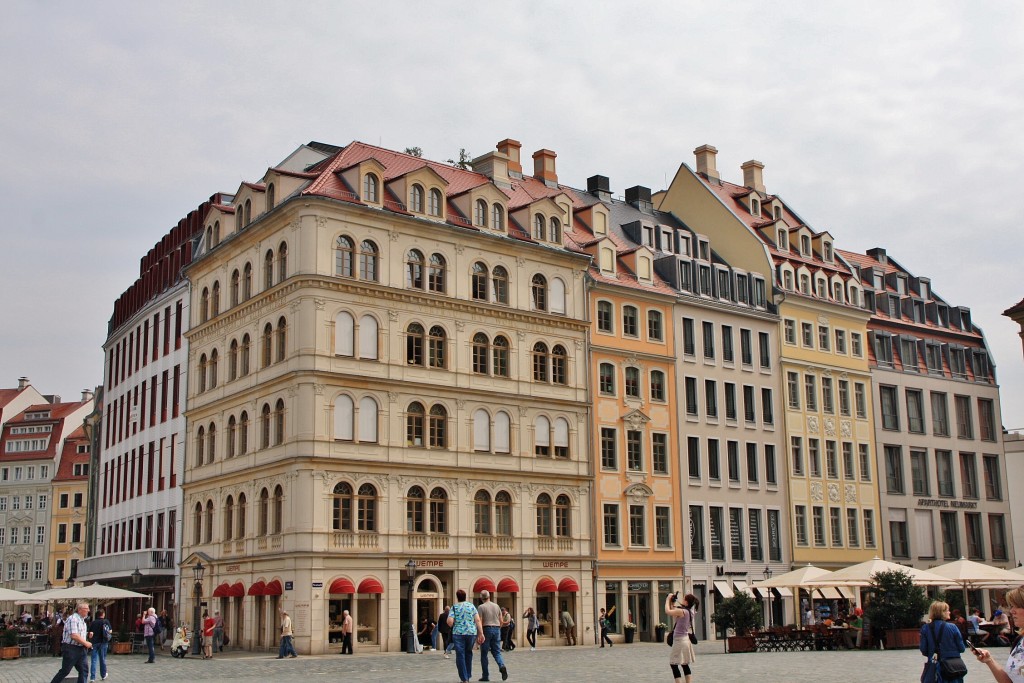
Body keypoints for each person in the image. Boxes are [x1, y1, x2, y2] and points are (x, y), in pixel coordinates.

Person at [973, 586, 1024, 683]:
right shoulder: (1019, 641)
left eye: (1016, 606)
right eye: (1011, 606)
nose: (1012, 611)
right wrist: (989, 660)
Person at [920, 601, 967, 683]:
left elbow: (924, 650)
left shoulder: (925, 628)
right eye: (947, 610)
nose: (949, 612)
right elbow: (962, 648)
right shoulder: (953, 627)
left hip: (935, 664)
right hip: (953, 667)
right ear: (942, 612)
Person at [447, 588, 485, 683]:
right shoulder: (471, 606)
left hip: (458, 633)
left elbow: (450, 622)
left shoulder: (454, 607)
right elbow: (477, 620)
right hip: (471, 633)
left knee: (460, 655)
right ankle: (467, 675)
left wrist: (453, 622)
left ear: (457, 597)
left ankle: (464, 679)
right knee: (468, 653)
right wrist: (481, 633)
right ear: (465, 597)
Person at [50, 601, 93, 683]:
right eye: (86, 609)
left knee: (84, 670)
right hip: (71, 649)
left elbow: (78, 633)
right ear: (80, 610)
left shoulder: (82, 620)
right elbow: (74, 635)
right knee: (65, 671)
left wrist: (87, 634)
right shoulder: (73, 619)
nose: (88, 610)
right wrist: (86, 643)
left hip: (81, 649)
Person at [665, 592, 698, 683]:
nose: (682, 600)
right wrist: (673, 602)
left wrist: (668, 599)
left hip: (679, 641)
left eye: (684, 599)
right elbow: (674, 611)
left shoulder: (683, 611)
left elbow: (668, 611)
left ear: (686, 602)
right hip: (686, 640)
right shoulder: (691, 611)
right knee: (684, 664)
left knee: (673, 663)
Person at [477, 589, 509, 681]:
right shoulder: (497, 606)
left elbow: (480, 621)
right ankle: (501, 665)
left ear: (481, 598)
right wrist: (498, 629)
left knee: (484, 654)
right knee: (497, 652)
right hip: (496, 629)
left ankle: (485, 676)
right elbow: (501, 621)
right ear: (489, 596)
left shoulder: (481, 607)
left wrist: (480, 633)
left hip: (486, 629)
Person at [88, 606, 111, 682]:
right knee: (102, 659)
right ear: (103, 614)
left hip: (94, 642)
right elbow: (110, 631)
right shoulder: (105, 621)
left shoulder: (93, 622)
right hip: (103, 642)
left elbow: (90, 633)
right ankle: (103, 675)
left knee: (94, 660)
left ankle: (92, 677)